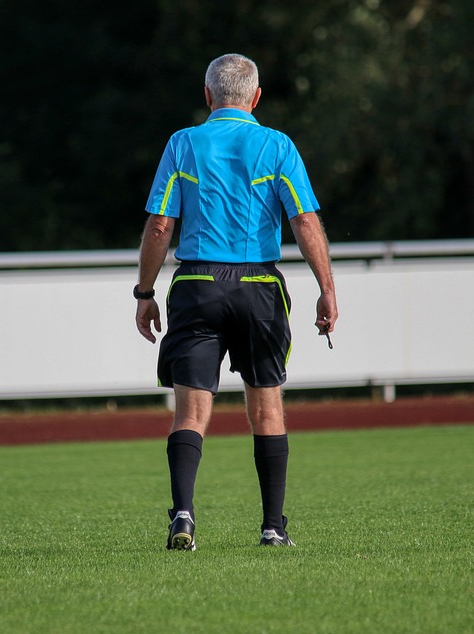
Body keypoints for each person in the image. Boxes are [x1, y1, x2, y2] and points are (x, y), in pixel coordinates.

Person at [134, 53, 338, 550]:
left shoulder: (183, 143)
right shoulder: (277, 145)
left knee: (190, 411)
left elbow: (161, 224)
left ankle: (182, 515)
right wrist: (326, 288)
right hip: (260, 290)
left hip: (197, 283)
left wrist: (144, 293)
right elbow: (304, 221)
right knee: (267, 410)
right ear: (256, 97)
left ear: (208, 96)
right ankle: (272, 527)